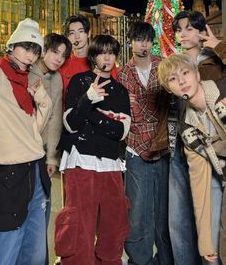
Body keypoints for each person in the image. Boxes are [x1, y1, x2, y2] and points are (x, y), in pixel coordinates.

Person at [56, 34, 131, 265]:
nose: (107, 57)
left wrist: (90, 114)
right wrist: (88, 99)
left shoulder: (120, 91)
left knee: (113, 224)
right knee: (80, 226)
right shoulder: (79, 81)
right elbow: (70, 124)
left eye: (111, 52)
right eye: (101, 52)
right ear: (93, 56)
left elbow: (121, 132)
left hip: (110, 163)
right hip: (80, 161)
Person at [0, 18, 52, 265]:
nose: (30, 56)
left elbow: (33, 134)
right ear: (12, 46)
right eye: (26, 48)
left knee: (34, 251)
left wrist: (43, 101)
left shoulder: (27, 84)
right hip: (7, 173)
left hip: (35, 170)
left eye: (35, 51)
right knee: (6, 250)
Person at [168, 10, 226, 265]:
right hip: (191, 146)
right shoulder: (174, 64)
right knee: (182, 217)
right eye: (179, 29)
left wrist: (218, 45)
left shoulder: (213, 60)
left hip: (217, 142)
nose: (183, 33)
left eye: (190, 28)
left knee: (215, 220)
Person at [117, 21, 173, 265]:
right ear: (131, 42)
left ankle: (166, 258)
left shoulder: (163, 65)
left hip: (162, 148)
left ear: (152, 41)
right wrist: (146, 107)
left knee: (164, 210)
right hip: (135, 149)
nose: (144, 45)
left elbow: (168, 105)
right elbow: (126, 116)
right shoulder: (124, 74)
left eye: (148, 40)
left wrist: (138, 104)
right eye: (139, 39)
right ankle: (139, 261)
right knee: (138, 210)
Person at [29, 33, 72, 178]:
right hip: (23, 146)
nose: (59, 59)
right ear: (44, 50)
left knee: (43, 198)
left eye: (63, 55)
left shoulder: (57, 78)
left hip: (43, 151)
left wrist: (52, 158)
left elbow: (55, 119)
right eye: (55, 52)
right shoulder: (27, 73)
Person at [59, 14, 118, 97]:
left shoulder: (104, 60)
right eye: (72, 33)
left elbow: (114, 90)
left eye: (81, 31)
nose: (77, 37)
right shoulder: (62, 63)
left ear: (89, 33)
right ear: (67, 37)